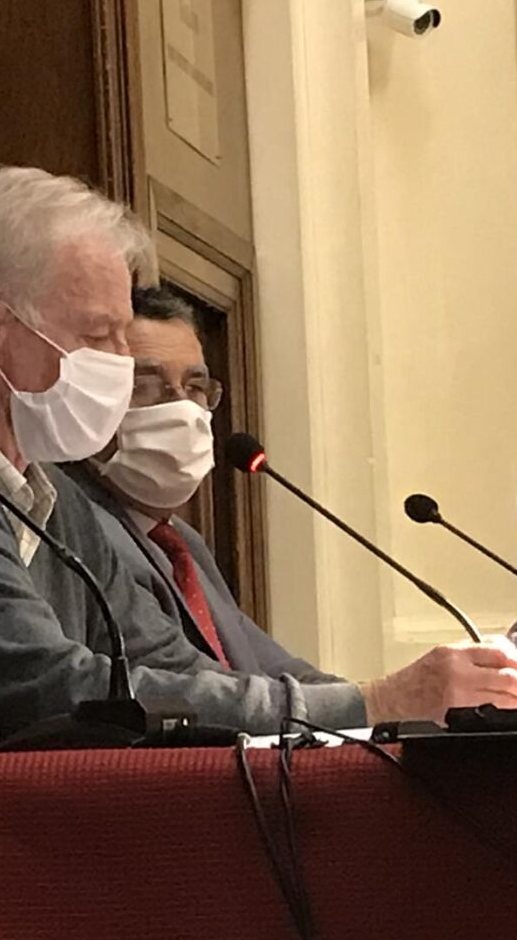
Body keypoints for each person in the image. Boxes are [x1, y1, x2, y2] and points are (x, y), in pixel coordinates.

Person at [0, 166, 517, 749]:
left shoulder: (43, 492)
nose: (118, 365)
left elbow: (172, 665)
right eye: (99, 336)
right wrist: (376, 703)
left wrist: (372, 707)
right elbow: (66, 696)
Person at [62, 285, 353, 687]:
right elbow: (186, 682)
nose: (181, 408)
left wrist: (390, 702)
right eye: (145, 385)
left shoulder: (182, 543)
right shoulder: (76, 527)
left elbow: (272, 666)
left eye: (195, 387)